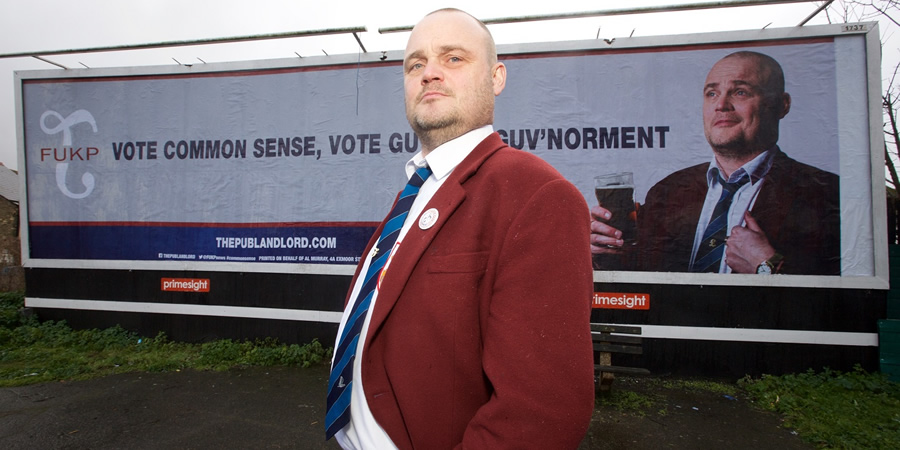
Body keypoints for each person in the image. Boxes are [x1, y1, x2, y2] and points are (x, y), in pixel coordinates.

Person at [326, 8, 595, 449]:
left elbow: (540, 416)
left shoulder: (538, 195)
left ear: (496, 78)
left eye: (453, 59)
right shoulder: (418, 189)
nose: (430, 73)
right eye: (416, 64)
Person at [590, 51, 840, 275]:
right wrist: (601, 254)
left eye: (740, 92)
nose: (721, 105)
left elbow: (850, 307)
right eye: (712, 93)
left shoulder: (828, 194)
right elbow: (638, 283)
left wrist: (768, 267)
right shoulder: (668, 191)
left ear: (782, 105)